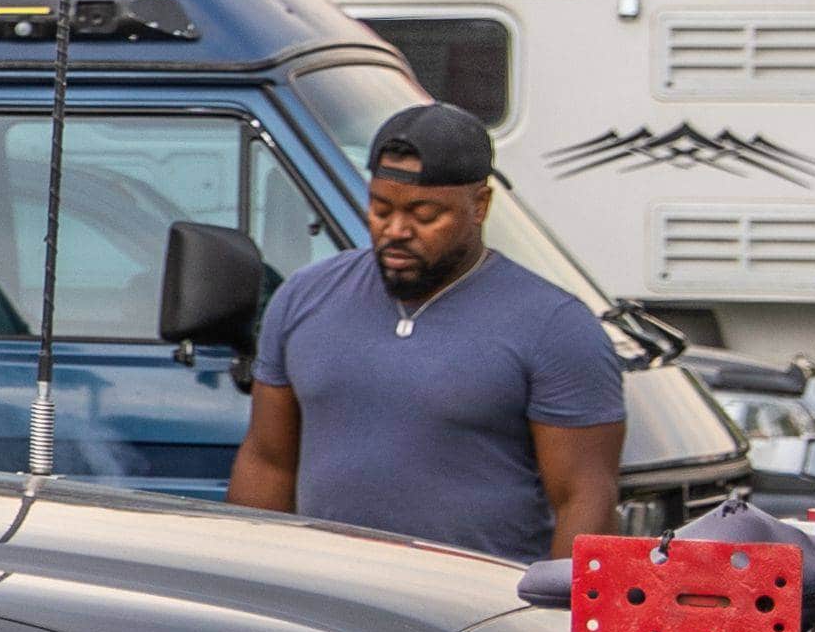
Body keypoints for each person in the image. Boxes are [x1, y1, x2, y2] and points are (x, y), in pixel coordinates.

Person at [234, 97, 624, 558]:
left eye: (424, 216)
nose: (396, 230)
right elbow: (267, 461)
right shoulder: (304, 297)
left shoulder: (555, 326)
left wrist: (555, 619)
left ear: (480, 205)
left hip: (476, 615)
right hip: (331, 603)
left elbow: (586, 500)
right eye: (380, 209)